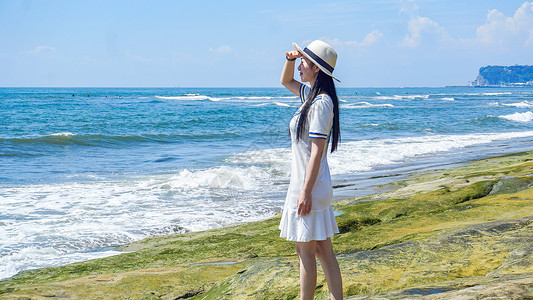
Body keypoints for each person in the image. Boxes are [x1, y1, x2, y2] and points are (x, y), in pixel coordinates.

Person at [279, 40, 343, 300]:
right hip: (314, 185)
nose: (299, 67)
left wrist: (304, 192)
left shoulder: (320, 103)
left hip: (309, 186)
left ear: (317, 68)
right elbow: (286, 81)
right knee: (323, 250)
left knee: (305, 252)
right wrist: (290, 58)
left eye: (304, 61)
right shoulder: (314, 97)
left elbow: (317, 150)